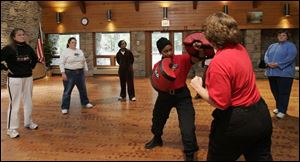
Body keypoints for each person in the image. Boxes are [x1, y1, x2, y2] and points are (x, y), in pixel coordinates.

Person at [190, 12, 273, 161]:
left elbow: (221, 103)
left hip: (236, 122)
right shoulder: (240, 48)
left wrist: (198, 87)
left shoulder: (218, 63)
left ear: (211, 37)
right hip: (260, 115)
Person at [145, 37, 200, 161]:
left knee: (187, 126)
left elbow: (196, 58)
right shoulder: (157, 66)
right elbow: (155, 82)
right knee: (157, 119)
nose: (169, 53)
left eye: (170, 49)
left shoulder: (182, 59)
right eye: (166, 51)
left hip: (182, 95)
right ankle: (157, 139)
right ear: (160, 52)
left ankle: (190, 152)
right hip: (165, 96)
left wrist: (196, 49)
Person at [1, 28, 39, 138]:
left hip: (28, 78)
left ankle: (28, 122)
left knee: (28, 101)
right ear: (14, 37)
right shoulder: (9, 48)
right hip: (15, 79)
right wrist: (4, 67)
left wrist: (30, 68)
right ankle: (11, 129)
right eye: (19, 35)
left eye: (23, 34)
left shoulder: (27, 48)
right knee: (15, 103)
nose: (22, 36)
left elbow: (35, 58)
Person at [264, 30, 297, 119]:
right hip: (272, 73)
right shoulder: (272, 46)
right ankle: (279, 107)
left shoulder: (291, 46)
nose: (281, 37)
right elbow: (266, 55)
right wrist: (268, 63)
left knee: (284, 93)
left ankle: (282, 110)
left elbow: (290, 58)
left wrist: (278, 64)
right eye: (280, 35)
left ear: (287, 37)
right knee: (275, 92)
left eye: (283, 35)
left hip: (285, 74)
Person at [59, 37, 93, 115]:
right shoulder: (65, 52)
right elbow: (61, 63)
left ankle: (85, 102)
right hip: (69, 73)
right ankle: (65, 107)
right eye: (72, 42)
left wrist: (86, 70)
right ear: (68, 43)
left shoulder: (79, 51)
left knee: (83, 89)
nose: (74, 44)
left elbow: (84, 61)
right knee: (67, 91)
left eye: (75, 42)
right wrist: (63, 73)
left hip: (80, 73)